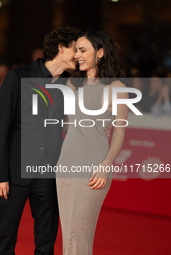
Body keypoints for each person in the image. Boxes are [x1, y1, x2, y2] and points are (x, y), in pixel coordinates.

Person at [0, 27, 79, 255]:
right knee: (6, 239)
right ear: (61, 48)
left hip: (49, 174)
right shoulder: (18, 76)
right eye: (76, 49)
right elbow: (0, 129)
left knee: (47, 241)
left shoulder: (70, 85)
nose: (79, 56)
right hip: (14, 173)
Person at [56, 29, 128, 255]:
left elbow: (119, 132)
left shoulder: (116, 88)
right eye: (76, 49)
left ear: (100, 52)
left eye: (83, 50)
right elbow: (65, 124)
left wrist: (107, 163)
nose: (77, 54)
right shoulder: (71, 85)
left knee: (79, 236)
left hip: (93, 167)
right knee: (68, 236)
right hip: (65, 164)